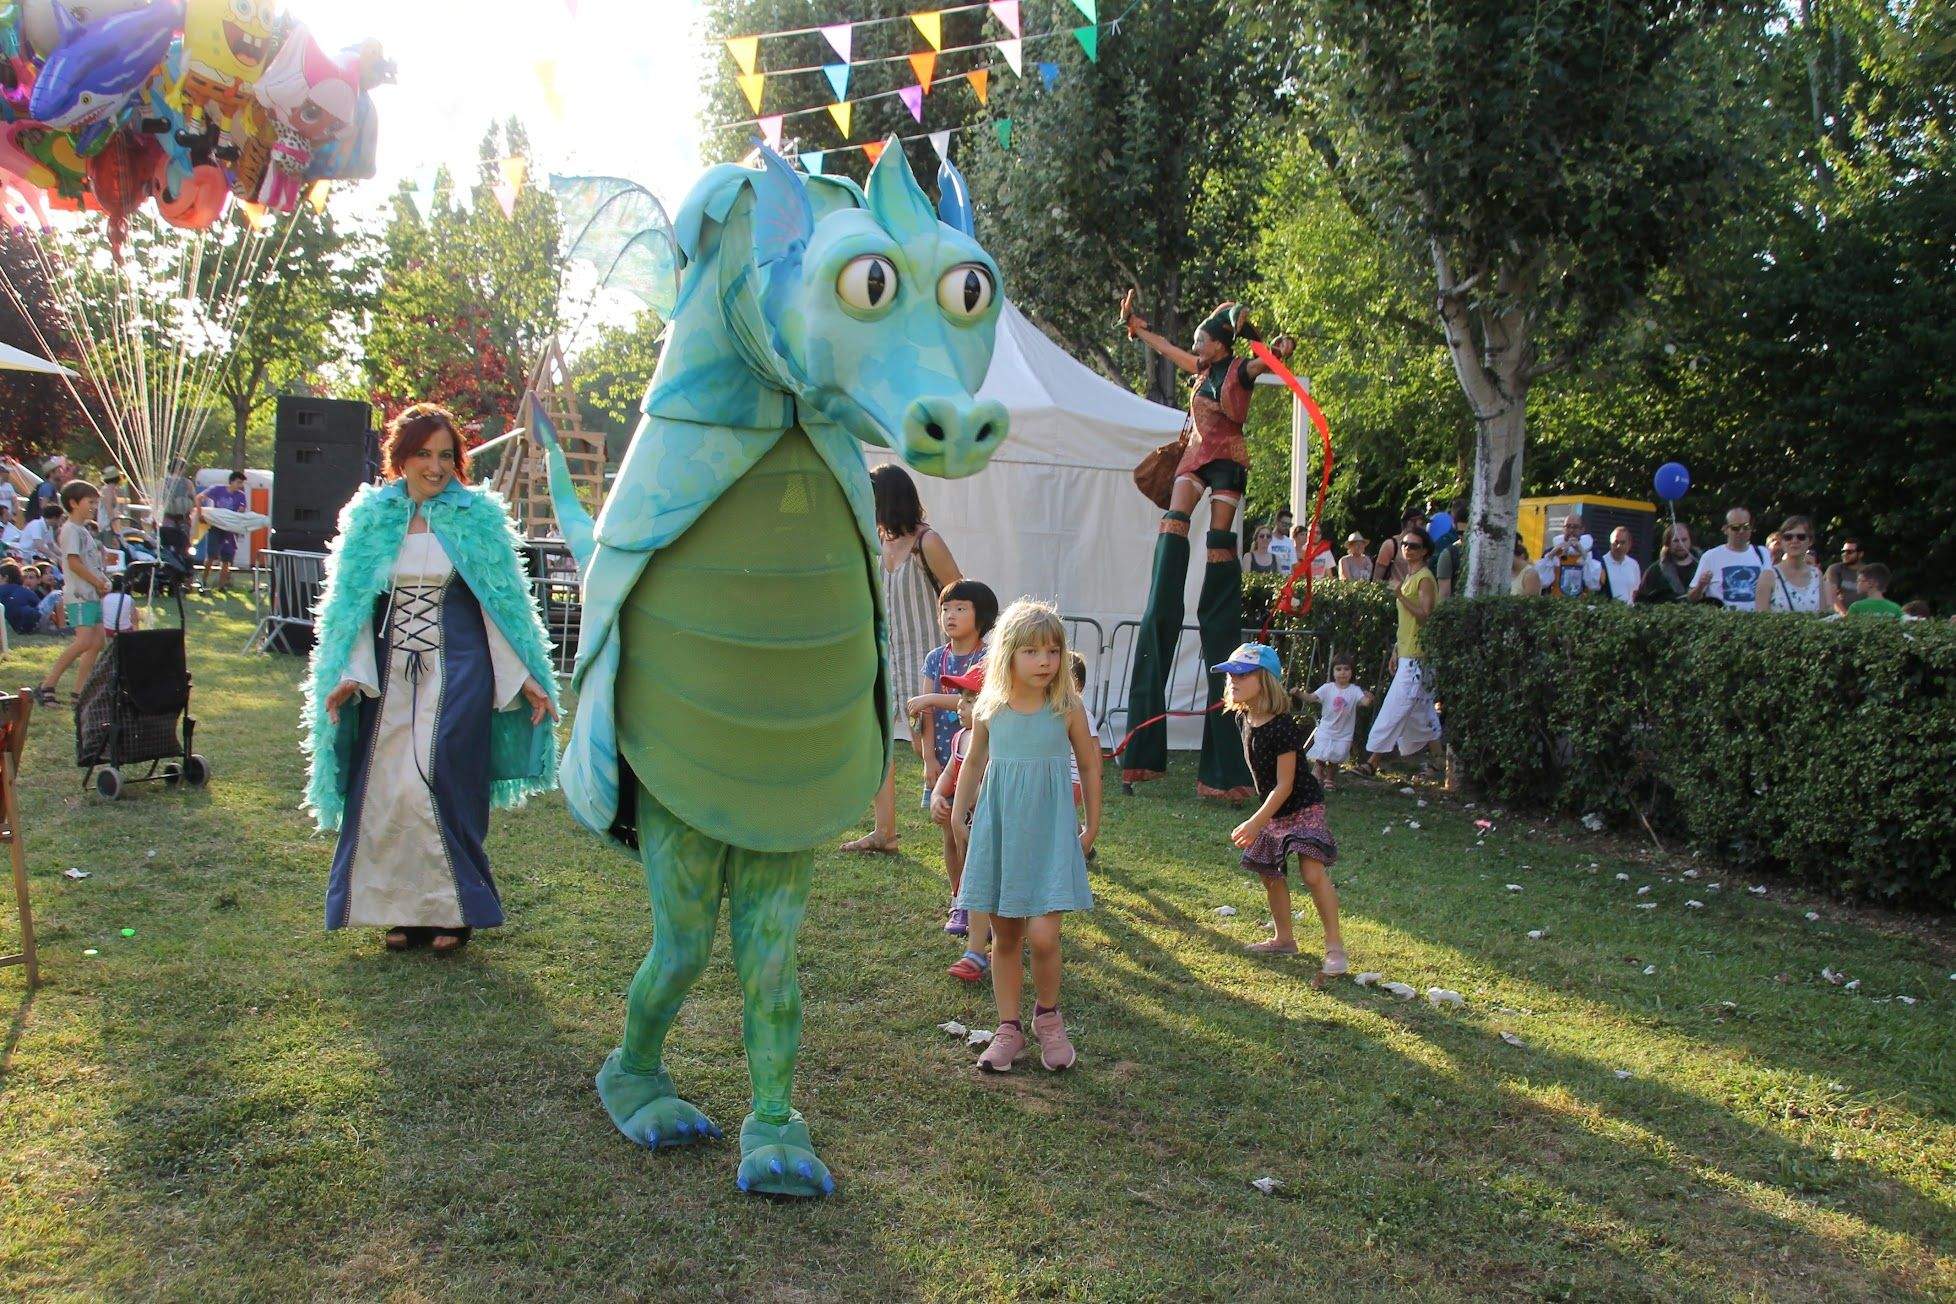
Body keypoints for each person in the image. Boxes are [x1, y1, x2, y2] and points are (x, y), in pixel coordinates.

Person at [310, 403, 560, 954]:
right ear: (400, 457)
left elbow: (501, 605)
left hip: (461, 665)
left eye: (446, 455)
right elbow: (353, 606)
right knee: (390, 786)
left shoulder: (475, 517)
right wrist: (350, 674)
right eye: (423, 453)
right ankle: (402, 910)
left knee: (442, 776)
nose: (435, 465)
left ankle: (455, 908)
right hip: (390, 670)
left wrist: (525, 678)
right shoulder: (372, 518)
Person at [1119, 296, 1294, 798]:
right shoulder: (1199, 369)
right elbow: (1167, 348)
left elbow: (1272, 358)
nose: (1195, 345)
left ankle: (1221, 778)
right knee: (1174, 525)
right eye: (1196, 340)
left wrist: (1275, 344)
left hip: (1227, 462)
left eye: (1202, 339)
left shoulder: (1239, 369)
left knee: (1218, 543)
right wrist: (1140, 330)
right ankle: (1145, 760)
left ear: (1220, 344)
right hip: (1195, 458)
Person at [951, 599, 1100, 1073]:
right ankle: (1008, 1028)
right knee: (1007, 935)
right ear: (1009, 654)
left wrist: (1092, 823)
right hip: (1000, 834)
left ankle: (1049, 1018)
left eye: (1053, 651)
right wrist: (958, 813)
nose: (1045, 662)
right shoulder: (991, 707)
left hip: (1051, 836)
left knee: (1043, 936)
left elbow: (1092, 764)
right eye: (1033, 651)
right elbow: (974, 762)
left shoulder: (1066, 705)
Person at [843, 464, 962, 855]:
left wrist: (964, 655)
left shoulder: (927, 543)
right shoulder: (876, 541)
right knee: (880, 746)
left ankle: (969, 818)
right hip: (885, 661)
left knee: (930, 746)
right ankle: (885, 833)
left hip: (927, 665)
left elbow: (963, 597)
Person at [1213, 641, 1346, 971]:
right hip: (1275, 808)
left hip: (1302, 805)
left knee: (1312, 872)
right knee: (1268, 871)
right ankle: (1284, 939)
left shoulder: (1283, 726)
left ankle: (1335, 947)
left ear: (1266, 680)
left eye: (1242, 674)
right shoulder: (1243, 719)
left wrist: (1256, 821)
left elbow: (1285, 784)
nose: (1233, 680)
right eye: (1230, 675)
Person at [918, 579, 996, 933]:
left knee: (977, 835)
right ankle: (958, 898)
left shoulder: (989, 657)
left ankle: (979, 899)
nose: (950, 615)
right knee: (950, 831)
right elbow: (923, 715)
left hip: (982, 764)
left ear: (981, 617)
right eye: (946, 609)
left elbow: (981, 700)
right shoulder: (936, 658)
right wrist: (928, 760)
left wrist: (932, 699)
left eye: (961, 608)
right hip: (949, 759)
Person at [1358, 527, 1441, 774]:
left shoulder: (1424, 578)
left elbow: (1426, 615)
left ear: (1425, 551)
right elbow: (1406, 621)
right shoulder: (1409, 576)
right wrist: (1396, 649)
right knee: (1421, 710)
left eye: (1414, 546)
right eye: (1405, 544)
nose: (1407, 548)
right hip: (1407, 652)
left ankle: (1371, 762)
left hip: (1417, 656)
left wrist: (1401, 597)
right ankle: (1440, 759)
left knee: (1395, 708)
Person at [928, 667, 992, 984]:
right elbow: (951, 772)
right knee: (952, 842)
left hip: (987, 817)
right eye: (961, 698)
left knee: (983, 865)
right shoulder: (961, 738)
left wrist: (969, 801)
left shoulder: (995, 740)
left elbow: (988, 777)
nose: (960, 705)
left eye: (969, 699)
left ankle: (985, 912)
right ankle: (959, 900)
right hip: (963, 815)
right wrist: (938, 795)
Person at [33, 481, 109, 706]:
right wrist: (96, 582)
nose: (94, 506)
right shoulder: (69, 530)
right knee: (84, 641)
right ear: (74, 503)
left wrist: (103, 582)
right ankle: (47, 685)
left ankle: (80, 692)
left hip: (91, 593)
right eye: (90, 502)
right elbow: (73, 563)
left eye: (96, 502)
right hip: (79, 595)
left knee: (97, 642)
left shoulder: (83, 530)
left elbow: (90, 563)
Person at [1297, 654, 1373, 790]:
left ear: (1352, 672)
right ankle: (1318, 771)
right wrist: (1298, 693)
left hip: (1344, 732)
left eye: (1346, 669)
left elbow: (1364, 702)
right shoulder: (1327, 688)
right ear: (1332, 672)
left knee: (1336, 757)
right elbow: (1310, 698)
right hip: (1326, 729)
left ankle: (1330, 779)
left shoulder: (1354, 690)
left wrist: (1369, 698)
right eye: (1338, 669)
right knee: (1322, 753)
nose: (1342, 672)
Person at [1688, 508, 1773, 610]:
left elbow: (1773, 590)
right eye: (1735, 527)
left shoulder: (1763, 553)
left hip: (1758, 622)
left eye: (1746, 526)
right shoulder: (1711, 556)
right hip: (1724, 622)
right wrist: (1701, 586)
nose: (1741, 531)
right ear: (1725, 529)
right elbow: (1691, 598)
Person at [1755, 516, 1829, 614]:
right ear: (1781, 541)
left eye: (1801, 537)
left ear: (1810, 541)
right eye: (1788, 537)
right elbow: (1761, 619)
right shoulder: (1768, 576)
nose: (1794, 541)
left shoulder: (1817, 575)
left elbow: (1822, 615)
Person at [196, 469, 250, 592]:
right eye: (238, 482)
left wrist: (239, 516)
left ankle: (221, 586)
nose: (240, 486)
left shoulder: (241, 495)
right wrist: (200, 515)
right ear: (231, 482)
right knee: (211, 556)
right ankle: (203, 582)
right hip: (216, 527)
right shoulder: (217, 489)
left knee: (227, 558)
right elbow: (199, 498)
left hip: (229, 529)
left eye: (242, 483)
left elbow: (241, 510)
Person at [1538, 513, 1600, 598]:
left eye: (1575, 527)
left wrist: (1582, 553)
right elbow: (1541, 581)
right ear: (1563, 529)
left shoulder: (1592, 552)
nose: (1571, 530)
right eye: (1568, 526)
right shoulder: (1551, 552)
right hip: (1556, 602)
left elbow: (1596, 584)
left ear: (1582, 529)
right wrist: (1552, 554)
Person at [1636, 523, 1699, 605]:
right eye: (1675, 541)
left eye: (1684, 540)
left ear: (1691, 541)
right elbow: (1641, 602)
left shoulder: (1702, 568)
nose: (1680, 544)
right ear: (1668, 543)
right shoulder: (1655, 571)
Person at [1373, 507, 1429, 586]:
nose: (1425, 528)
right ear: (1410, 523)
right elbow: (1377, 580)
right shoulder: (1391, 545)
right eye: (1422, 524)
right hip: (1394, 596)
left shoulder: (1423, 546)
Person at [1599, 527, 1642, 605]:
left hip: (1628, 613)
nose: (1618, 546)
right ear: (1610, 543)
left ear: (1629, 545)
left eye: (1622, 543)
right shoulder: (1601, 564)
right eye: (1616, 542)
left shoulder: (1634, 565)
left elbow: (1636, 591)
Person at [18, 502, 62, 573]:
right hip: (25, 556)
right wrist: (56, 558)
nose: (60, 522)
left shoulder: (49, 527)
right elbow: (39, 546)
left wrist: (64, 555)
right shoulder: (36, 524)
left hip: (36, 556)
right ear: (54, 518)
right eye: (60, 518)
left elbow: (51, 546)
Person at [0, 562, 43, 635]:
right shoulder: (25, 591)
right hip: (27, 625)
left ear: (6, 577)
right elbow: (40, 606)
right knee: (56, 594)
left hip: (7, 627)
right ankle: (61, 625)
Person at [1825, 538, 1865, 616]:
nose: (1845, 554)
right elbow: (1831, 595)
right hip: (1837, 615)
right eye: (1843, 551)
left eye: (1849, 552)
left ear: (1860, 554)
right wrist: (1845, 615)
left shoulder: (1868, 572)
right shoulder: (1835, 569)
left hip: (1863, 616)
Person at [1268, 507, 1298, 571]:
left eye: (1289, 525)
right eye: (1284, 524)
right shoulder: (1267, 539)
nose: (1287, 527)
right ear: (1277, 522)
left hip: (1286, 578)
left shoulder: (1290, 542)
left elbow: (1293, 565)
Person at [97, 467, 124, 534]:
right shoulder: (108, 490)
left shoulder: (109, 489)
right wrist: (116, 529)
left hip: (107, 525)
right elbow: (109, 510)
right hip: (108, 527)